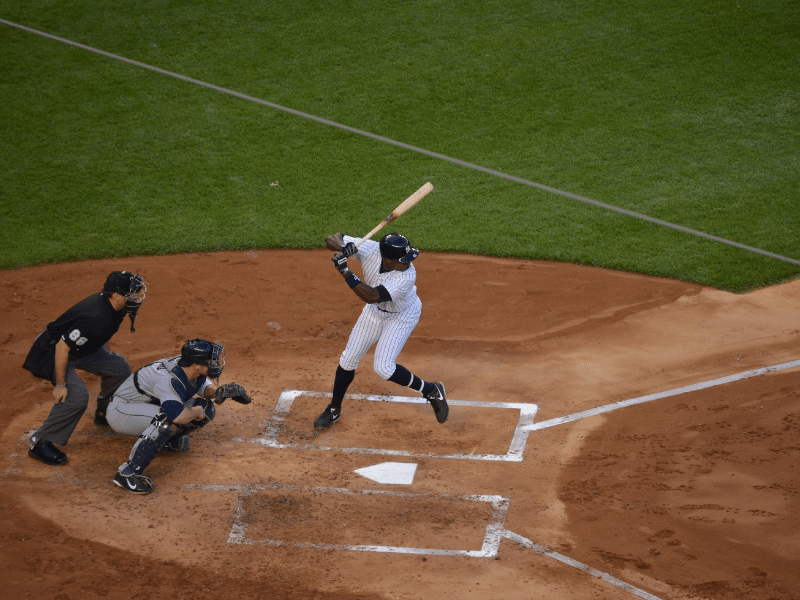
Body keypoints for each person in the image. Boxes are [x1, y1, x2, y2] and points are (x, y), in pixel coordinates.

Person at [314, 232, 448, 429]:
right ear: (387, 259)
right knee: (348, 360)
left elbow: (373, 296)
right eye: (402, 260)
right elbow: (331, 238)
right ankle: (334, 409)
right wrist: (343, 246)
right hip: (374, 313)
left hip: (401, 316)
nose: (408, 263)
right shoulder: (369, 249)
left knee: (384, 368)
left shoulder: (407, 276)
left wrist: (346, 272)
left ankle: (431, 390)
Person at [23, 271, 146, 466]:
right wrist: (61, 384)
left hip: (81, 349)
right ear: (116, 295)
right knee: (77, 396)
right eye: (131, 293)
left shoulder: (118, 308)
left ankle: (104, 413)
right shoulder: (96, 316)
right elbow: (62, 347)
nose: (136, 296)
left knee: (118, 367)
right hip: (52, 351)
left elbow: (102, 335)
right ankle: (40, 442)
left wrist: (106, 360)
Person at [107, 338, 252, 494]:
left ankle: (166, 440)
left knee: (206, 408)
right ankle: (128, 473)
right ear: (197, 364)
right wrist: (196, 411)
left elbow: (202, 386)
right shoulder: (168, 379)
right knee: (167, 420)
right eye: (211, 361)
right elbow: (178, 417)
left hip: (149, 405)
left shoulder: (189, 367)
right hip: (122, 411)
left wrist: (218, 393)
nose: (215, 364)